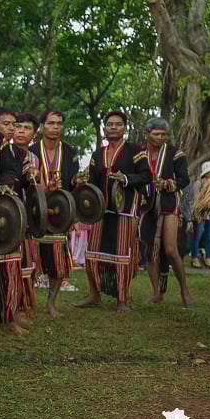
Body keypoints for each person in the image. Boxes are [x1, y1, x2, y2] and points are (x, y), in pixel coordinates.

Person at [76, 110, 151, 313]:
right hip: (101, 210)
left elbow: (146, 176)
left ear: (124, 128)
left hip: (125, 209)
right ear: (104, 128)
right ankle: (94, 294)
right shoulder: (98, 154)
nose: (114, 127)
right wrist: (83, 190)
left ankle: (121, 299)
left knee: (122, 255)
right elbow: (92, 182)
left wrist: (126, 179)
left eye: (118, 124)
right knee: (92, 253)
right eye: (110, 124)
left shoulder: (135, 150)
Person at [28, 111, 79, 317]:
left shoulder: (69, 151)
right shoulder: (31, 151)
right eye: (51, 123)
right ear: (42, 127)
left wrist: (78, 181)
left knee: (58, 265)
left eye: (59, 123)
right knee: (32, 262)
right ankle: (29, 304)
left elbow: (74, 181)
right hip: (35, 212)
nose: (55, 127)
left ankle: (50, 302)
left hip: (60, 214)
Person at [0, 113, 43, 332]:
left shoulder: (18, 153)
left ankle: (14, 312)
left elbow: (23, 182)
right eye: (8, 125)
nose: (14, 129)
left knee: (14, 265)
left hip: (12, 215)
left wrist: (32, 175)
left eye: (15, 125)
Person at [138, 117, 191, 306]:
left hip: (168, 204)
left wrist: (168, 183)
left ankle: (184, 289)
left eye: (163, 134)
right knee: (150, 250)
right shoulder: (141, 154)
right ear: (148, 133)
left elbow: (184, 179)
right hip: (147, 205)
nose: (160, 137)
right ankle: (157, 292)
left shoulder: (175, 153)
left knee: (170, 249)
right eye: (156, 133)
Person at [184, 161, 210, 269]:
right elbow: (195, 200)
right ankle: (194, 257)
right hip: (200, 213)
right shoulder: (198, 183)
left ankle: (208, 258)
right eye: (209, 171)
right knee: (197, 234)